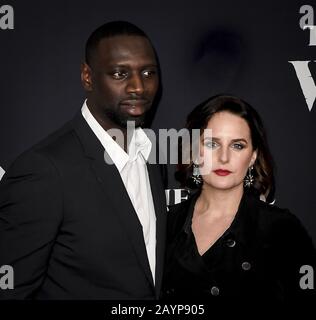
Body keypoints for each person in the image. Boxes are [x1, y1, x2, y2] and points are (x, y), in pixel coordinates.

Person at [0, 21, 167, 299]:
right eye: (119, 73)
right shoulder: (43, 171)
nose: (139, 87)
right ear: (87, 77)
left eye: (148, 72)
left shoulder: (151, 153)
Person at [162, 94, 316, 301]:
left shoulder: (282, 229)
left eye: (237, 145)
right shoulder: (167, 225)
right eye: (212, 144)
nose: (224, 157)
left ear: (252, 156)